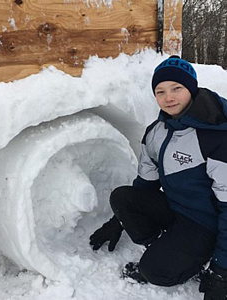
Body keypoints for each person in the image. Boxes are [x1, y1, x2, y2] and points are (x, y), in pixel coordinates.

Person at [89, 55, 227, 300]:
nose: (168, 97)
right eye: (160, 91)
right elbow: (144, 187)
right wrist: (117, 221)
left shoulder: (215, 137)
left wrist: (221, 270)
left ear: (192, 89)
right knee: (123, 197)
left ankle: (196, 260)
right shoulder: (156, 132)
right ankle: (168, 247)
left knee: (154, 271)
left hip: (207, 224)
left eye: (177, 88)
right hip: (177, 211)